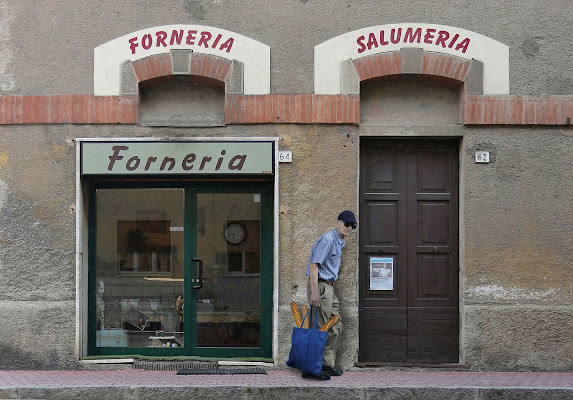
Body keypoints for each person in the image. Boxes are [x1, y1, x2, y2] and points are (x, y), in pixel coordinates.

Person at [303, 210, 356, 380]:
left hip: (329, 288)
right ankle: (312, 368)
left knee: (335, 326)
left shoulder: (339, 242)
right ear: (337, 223)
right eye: (346, 224)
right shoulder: (328, 239)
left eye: (352, 225)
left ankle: (327, 364)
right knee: (319, 328)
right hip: (321, 286)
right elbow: (313, 265)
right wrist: (315, 292)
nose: (349, 227)